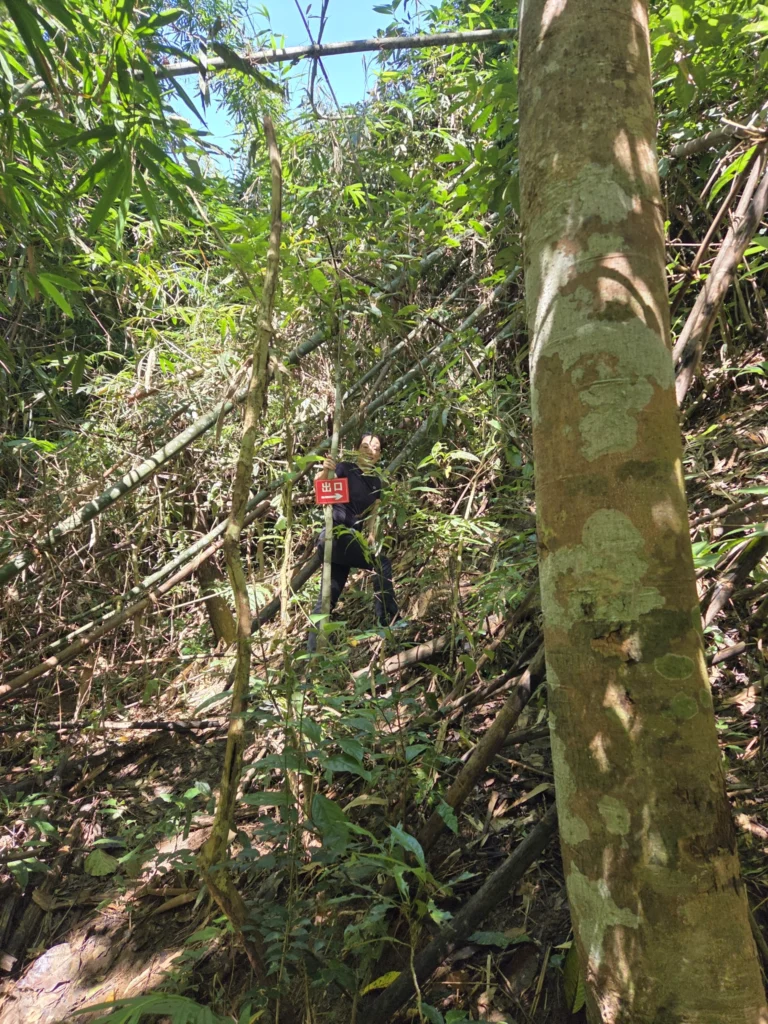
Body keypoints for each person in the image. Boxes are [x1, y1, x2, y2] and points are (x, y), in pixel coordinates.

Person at [306, 432, 399, 652]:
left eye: (375, 448)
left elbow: (374, 513)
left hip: (350, 541)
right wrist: (326, 469)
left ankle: (312, 656)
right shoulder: (345, 468)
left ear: (379, 455)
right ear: (357, 450)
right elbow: (320, 486)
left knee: (327, 600)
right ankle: (389, 620)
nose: (370, 451)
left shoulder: (376, 481)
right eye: (365, 446)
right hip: (335, 535)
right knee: (381, 564)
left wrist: (372, 534)